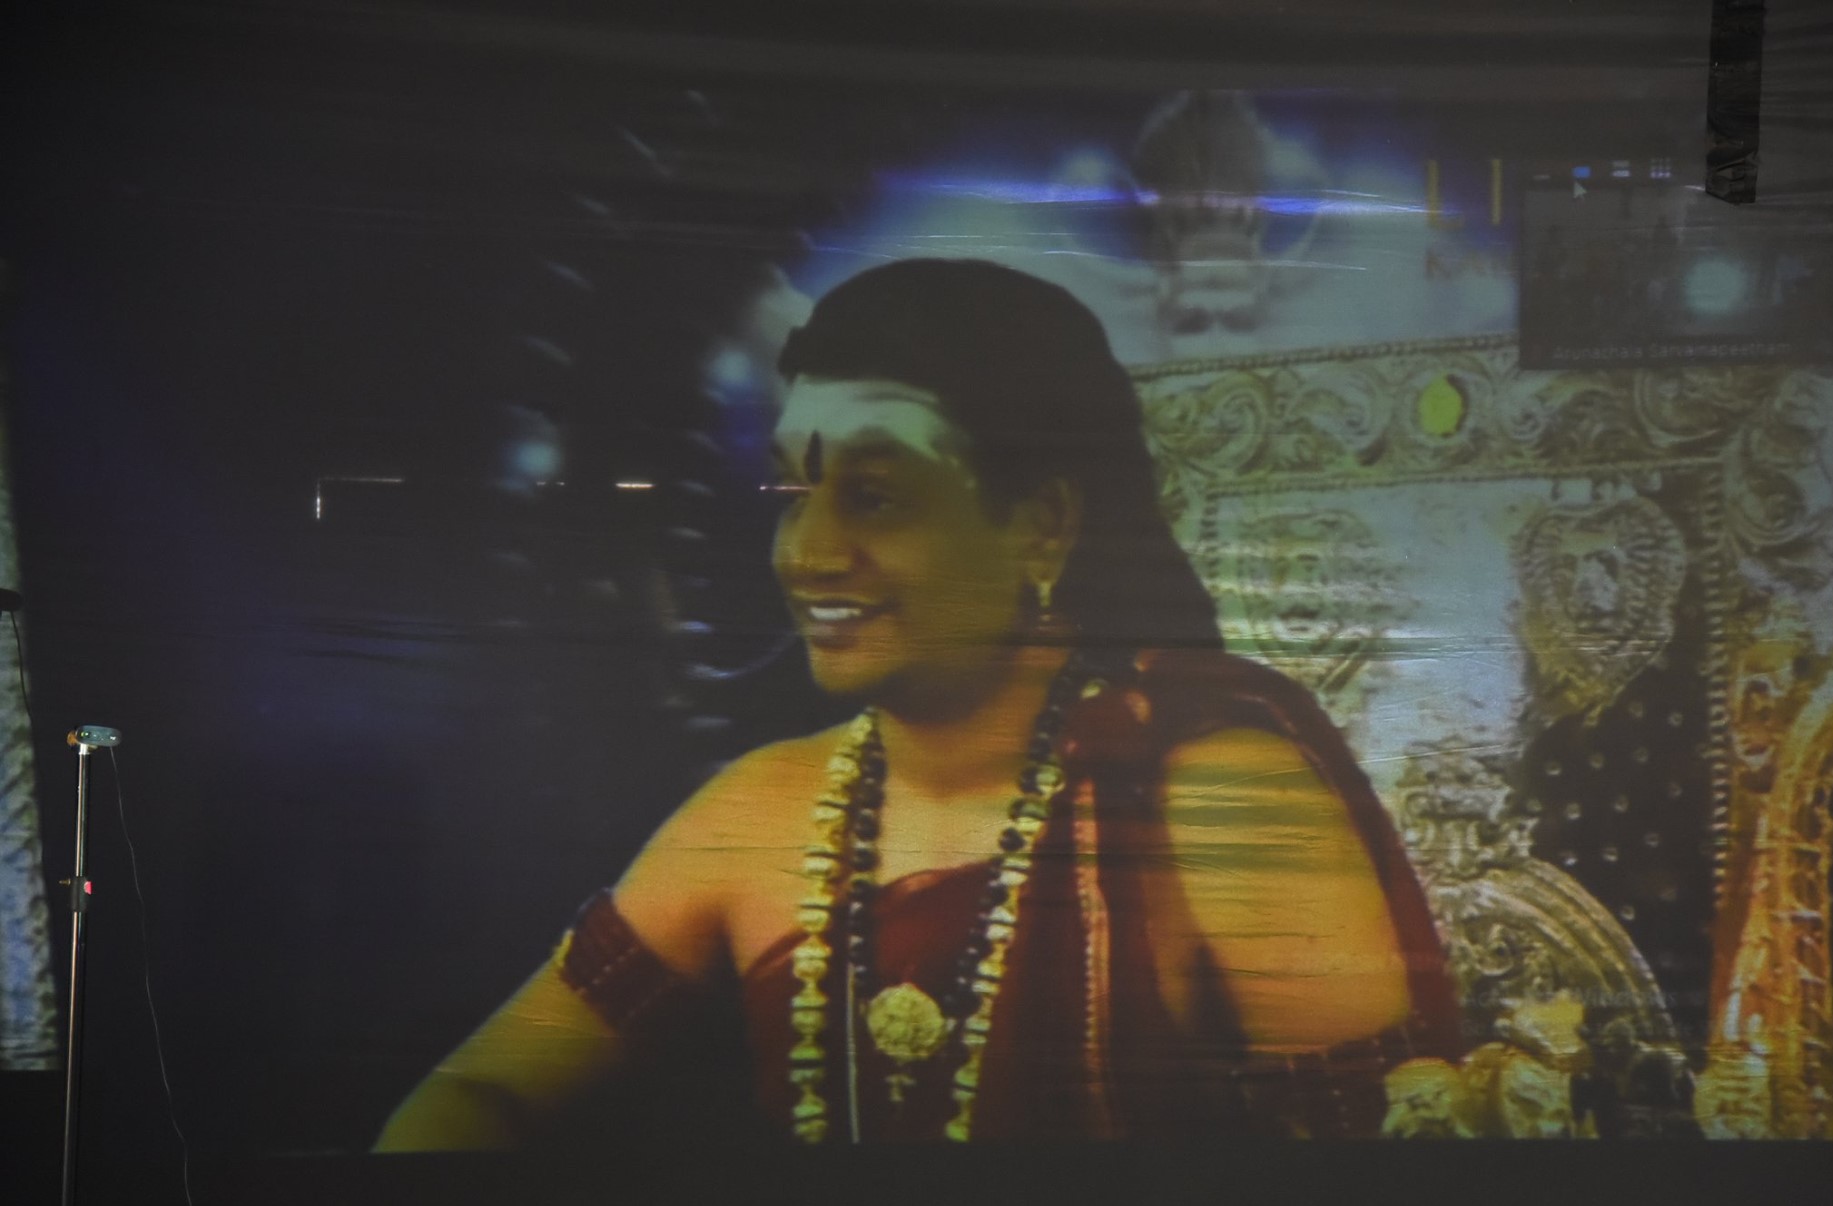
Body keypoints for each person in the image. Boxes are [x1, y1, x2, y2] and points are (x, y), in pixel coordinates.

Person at [376, 259, 1459, 1148]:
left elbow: (1377, 1204)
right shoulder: (758, 812)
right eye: (791, 493)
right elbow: (478, 1091)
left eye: (876, 495)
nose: (806, 552)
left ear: (1039, 525)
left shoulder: (1218, 801)